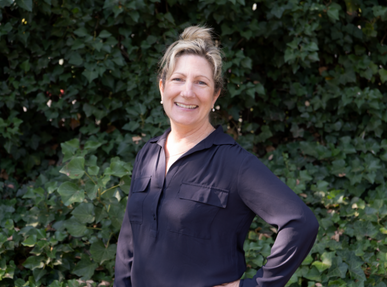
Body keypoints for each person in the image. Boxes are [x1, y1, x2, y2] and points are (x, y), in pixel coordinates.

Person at [114, 25, 319, 287]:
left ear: (215, 95)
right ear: (162, 87)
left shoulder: (234, 164)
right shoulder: (148, 153)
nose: (187, 92)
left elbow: (300, 223)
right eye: (178, 79)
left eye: (201, 82)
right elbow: (129, 240)